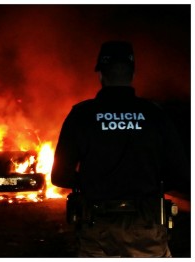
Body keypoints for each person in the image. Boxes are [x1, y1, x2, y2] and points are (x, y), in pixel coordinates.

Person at [51, 41, 189, 257]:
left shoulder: (82, 115)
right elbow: (182, 175)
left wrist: (93, 182)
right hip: (146, 230)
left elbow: (59, 177)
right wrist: (150, 182)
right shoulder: (155, 115)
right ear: (132, 74)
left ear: (101, 75)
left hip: (97, 232)